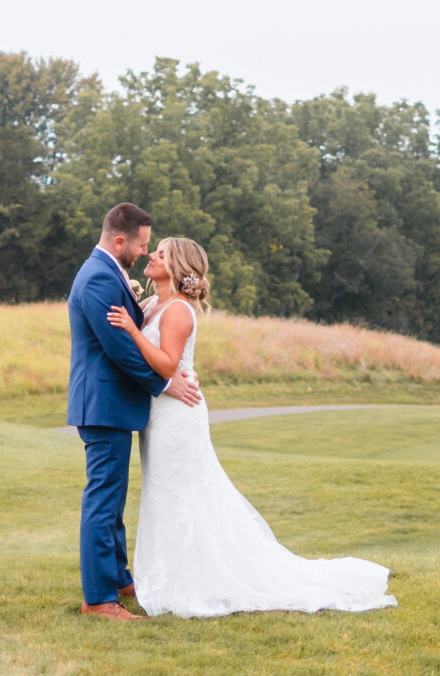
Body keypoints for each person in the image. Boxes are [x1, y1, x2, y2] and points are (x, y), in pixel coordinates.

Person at [105, 236, 397, 617]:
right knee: (165, 491)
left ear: (175, 266)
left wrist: (130, 329)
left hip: (177, 416)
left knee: (181, 492)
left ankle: (195, 580)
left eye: (161, 253)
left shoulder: (178, 310)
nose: (152, 256)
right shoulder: (152, 303)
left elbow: (165, 365)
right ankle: (171, 573)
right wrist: (130, 302)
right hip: (158, 416)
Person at [68, 202, 201, 620]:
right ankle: (99, 599)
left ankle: (120, 580)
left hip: (112, 405)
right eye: (143, 245)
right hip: (103, 405)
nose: (145, 252)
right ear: (120, 240)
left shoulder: (109, 274)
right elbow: (120, 348)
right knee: (102, 502)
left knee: (113, 500)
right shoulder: (97, 279)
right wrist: (164, 382)